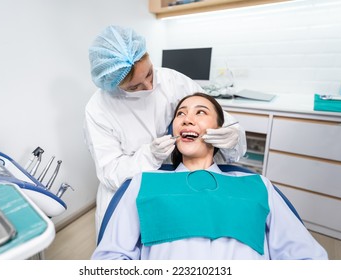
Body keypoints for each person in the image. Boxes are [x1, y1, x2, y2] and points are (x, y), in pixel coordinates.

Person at [91, 92, 328, 260]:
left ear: (220, 129)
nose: (187, 118)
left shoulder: (257, 186)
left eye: (200, 112)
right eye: (180, 114)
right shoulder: (144, 184)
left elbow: (306, 258)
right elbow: (111, 259)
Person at [84, 25, 247, 235]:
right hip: (129, 198)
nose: (150, 86)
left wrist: (233, 136)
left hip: (183, 192)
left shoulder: (174, 81)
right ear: (114, 84)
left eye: (150, 74)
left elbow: (216, 116)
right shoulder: (98, 109)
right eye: (135, 87)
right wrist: (149, 157)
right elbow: (111, 173)